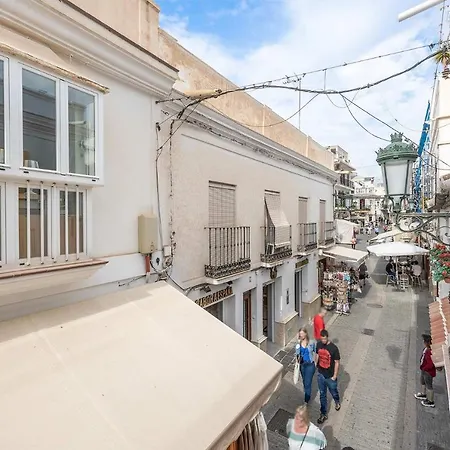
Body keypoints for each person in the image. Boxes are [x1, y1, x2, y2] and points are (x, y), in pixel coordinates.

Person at [316, 329, 341, 424]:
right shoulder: (319, 344)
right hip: (321, 374)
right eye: (322, 339)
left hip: (330, 376)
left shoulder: (334, 348)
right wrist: (315, 364)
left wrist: (334, 376)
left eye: (325, 339)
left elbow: (337, 362)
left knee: (334, 392)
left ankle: (337, 401)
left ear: (327, 337)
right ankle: (323, 414)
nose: (323, 341)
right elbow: (317, 354)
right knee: (322, 394)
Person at [414, 333, 436, 407]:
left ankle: (430, 401)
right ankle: (423, 394)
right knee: (423, 381)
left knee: (429, 386)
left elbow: (431, 364)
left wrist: (425, 368)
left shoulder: (430, 352)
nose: (423, 342)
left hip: (428, 372)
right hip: (424, 370)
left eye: (424, 341)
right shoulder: (426, 349)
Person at [295, 327, 316, 404]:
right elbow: (297, 354)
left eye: (302, 334)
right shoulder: (298, 344)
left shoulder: (311, 342)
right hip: (302, 365)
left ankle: (306, 400)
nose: (301, 335)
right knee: (304, 381)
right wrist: (298, 343)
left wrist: (315, 362)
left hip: (310, 365)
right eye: (300, 334)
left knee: (307, 383)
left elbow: (316, 352)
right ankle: (307, 392)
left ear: (306, 334)